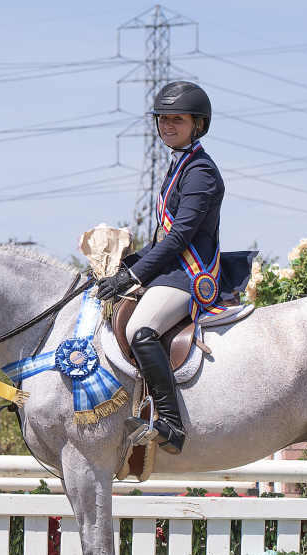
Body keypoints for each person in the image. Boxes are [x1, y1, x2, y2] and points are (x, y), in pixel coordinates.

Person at [95, 81, 224, 455]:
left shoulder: (200, 171)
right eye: (163, 120)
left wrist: (134, 276)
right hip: (171, 269)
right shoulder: (180, 164)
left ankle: (169, 423)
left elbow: (180, 236)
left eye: (177, 120)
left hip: (191, 274)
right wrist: (121, 268)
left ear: (197, 124)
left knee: (140, 327)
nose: (168, 126)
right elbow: (161, 238)